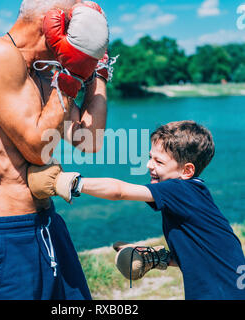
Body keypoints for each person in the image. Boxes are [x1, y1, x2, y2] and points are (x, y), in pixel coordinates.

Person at [0, 0, 110, 300]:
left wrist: (96, 73)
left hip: (47, 225)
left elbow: (90, 140)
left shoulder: (44, 74)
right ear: (53, 24)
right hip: (4, 233)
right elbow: (37, 148)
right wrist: (71, 77)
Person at [28, 120, 245, 300]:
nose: (150, 165)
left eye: (159, 161)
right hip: (230, 284)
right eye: (151, 156)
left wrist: (72, 183)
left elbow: (120, 191)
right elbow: (204, 253)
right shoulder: (191, 193)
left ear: (186, 170)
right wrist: (159, 258)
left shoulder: (180, 190)